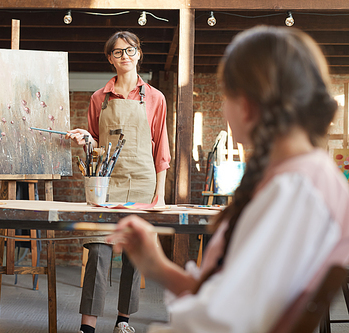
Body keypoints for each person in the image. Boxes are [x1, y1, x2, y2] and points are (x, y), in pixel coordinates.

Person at [106, 26, 349, 333]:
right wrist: (158, 267)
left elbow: (221, 322)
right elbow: (231, 293)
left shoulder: (294, 191)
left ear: (247, 104)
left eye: (225, 95)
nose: (222, 108)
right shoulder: (301, 178)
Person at [67, 31, 171, 333]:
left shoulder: (155, 98)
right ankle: (88, 325)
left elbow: (160, 147)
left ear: (139, 53)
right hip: (105, 181)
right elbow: (96, 144)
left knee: (133, 253)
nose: (124, 56)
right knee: (98, 248)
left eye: (129, 50)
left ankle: (123, 321)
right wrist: (85, 139)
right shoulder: (98, 98)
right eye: (117, 52)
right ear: (109, 58)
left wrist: (159, 196)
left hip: (142, 180)